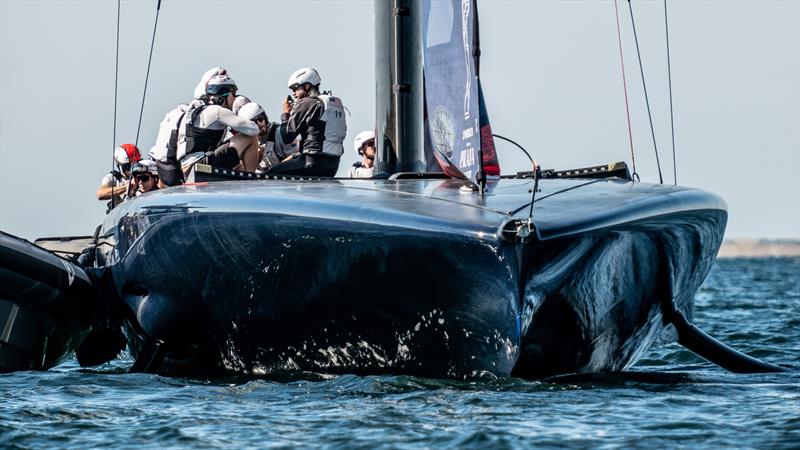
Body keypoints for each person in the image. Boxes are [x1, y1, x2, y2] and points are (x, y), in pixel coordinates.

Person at [266, 68, 346, 177]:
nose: (293, 93)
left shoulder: (305, 103)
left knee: (270, 174)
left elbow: (287, 137)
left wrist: (286, 114)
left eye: (295, 88)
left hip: (311, 163)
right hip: (333, 166)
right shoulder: (329, 104)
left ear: (307, 86)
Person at [177, 74, 260, 172]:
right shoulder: (218, 111)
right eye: (233, 94)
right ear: (224, 94)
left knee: (238, 165)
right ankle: (251, 178)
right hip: (201, 164)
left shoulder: (201, 110)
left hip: (187, 167)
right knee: (250, 137)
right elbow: (253, 130)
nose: (235, 98)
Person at [96, 143, 141, 212]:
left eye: (136, 164)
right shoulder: (113, 178)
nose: (132, 169)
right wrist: (127, 187)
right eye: (128, 166)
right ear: (120, 166)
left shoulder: (145, 176)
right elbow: (100, 194)